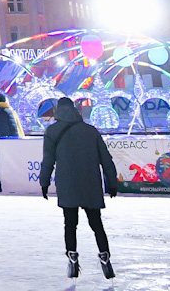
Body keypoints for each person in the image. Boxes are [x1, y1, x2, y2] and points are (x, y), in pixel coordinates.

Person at [41, 96, 119, 281]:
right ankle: (105, 256)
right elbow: (106, 159)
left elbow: (48, 160)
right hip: (91, 184)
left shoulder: (52, 131)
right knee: (96, 224)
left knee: (70, 224)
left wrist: (44, 182)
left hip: (68, 185)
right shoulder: (91, 131)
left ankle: (73, 257)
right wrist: (112, 183)